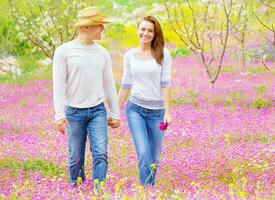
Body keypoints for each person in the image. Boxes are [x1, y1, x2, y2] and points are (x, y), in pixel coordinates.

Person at [52, 7, 120, 188]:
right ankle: (76, 188)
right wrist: (59, 115)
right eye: (100, 25)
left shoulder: (102, 53)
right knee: (75, 158)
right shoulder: (64, 51)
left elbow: (109, 85)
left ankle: (99, 191)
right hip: (73, 112)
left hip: (98, 111)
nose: (103, 29)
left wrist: (115, 113)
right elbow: (58, 85)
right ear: (88, 27)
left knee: (101, 154)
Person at [118, 16, 172, 186]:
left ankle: (149, 187)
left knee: (154, 157)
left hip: (157, 113)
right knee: (143, 152)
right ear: (137, 30)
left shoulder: (162, 53)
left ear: (155, 34)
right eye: (143, 29)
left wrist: (168, 111)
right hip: (136, 110)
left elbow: (166, 83)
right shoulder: (129, 56)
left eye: (150, 30)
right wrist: (114, 111)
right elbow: (126, 84)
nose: (145, 33)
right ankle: (146, 190)